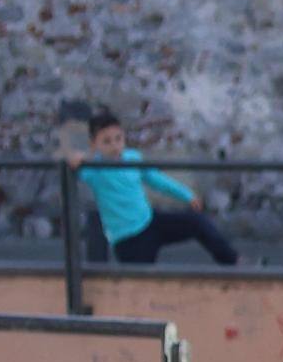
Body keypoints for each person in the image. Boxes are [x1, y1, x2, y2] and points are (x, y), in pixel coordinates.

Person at [72, 112, 239, 267]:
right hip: (129, 240)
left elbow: (157, 180)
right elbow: (73, 166)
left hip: (150, 222)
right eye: (107, 141)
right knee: (142, 286)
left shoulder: (132, 158)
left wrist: (187, 195)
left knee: (199, 223)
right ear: (93, 145)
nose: (115, 146)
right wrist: (76, 161)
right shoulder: (93, 169)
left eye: (118, 138)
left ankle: (234, 263)